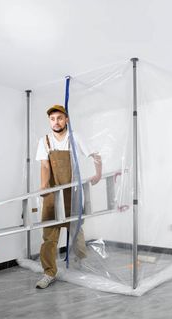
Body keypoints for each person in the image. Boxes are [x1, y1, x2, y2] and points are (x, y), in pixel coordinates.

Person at [35, 104, 102, 289]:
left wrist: (98, 174)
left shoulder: (75, 137)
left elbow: (95, 154)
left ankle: (81, 265)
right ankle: (49, 272)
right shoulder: (45, 141)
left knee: (76, 231)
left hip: (72, 192)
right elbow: (45, 166)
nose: (56, 122)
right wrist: (43, 186)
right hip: (52, 193)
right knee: (49, 235)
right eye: (52, 119)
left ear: (66, 120)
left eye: (59, 118)